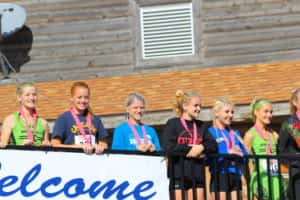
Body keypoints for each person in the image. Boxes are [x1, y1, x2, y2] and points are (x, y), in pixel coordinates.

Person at [163, 90, 217, 200]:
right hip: (178, 174)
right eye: (195, 105)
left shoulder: (201, 125)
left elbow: (213, 145)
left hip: (197, 175)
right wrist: (190, 149)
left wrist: (202, 147)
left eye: (200, 106)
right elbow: (168, 147)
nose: (199, 109)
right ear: (185, 106)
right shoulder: (173, 123)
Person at [51, 81, 108, 154]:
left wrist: (100, 147)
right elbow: (54, 145)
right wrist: (77, 147)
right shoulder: (63, 119)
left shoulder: (95, 119)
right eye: (79, 97)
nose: (83, 100)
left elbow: (104, 144)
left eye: (86, 97)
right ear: (72, 99)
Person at [208, 98, 248, 200]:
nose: (230, 115)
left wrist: (241, 153)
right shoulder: (210, 132)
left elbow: (245, 156)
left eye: (232, 112)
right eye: (227, 112)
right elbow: (207, 157)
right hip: (220, 174)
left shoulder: (235, 133)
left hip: (235, 174)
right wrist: (228, 152)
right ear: (217, 113)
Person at [244, 98, 282, 200]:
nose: (269, 115)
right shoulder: (250, 135)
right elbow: (247, 163)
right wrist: (248, 184)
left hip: (275, 180)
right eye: (265, 111)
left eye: (271, 112)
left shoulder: (274, 134)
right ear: (256, 112)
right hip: (260, 181)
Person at [1, 82, 50, 146]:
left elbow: (47, 149)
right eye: (27, 95)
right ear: (19, 98)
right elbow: (2, 147)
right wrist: (22, 147)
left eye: (34, 94)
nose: (32, 98)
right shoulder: (10, 120)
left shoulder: (44, 123)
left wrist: (47, 145)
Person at [279, 88, 300, 200]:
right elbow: (281, 151)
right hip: (297, 173)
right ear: (295, 102)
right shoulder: (288, 124)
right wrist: (294, 163)